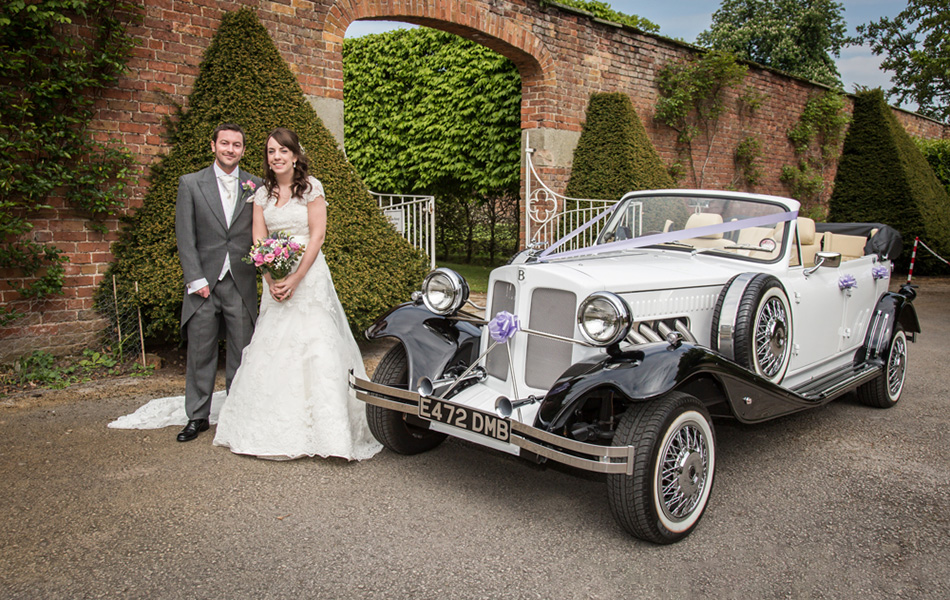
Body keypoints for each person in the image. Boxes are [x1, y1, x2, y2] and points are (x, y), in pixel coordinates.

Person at [211, 127, 381, 461]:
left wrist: (297, 277)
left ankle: (327, 433)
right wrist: (271, 276)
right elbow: (259, 239)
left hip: (309, 273)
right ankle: (269, 427)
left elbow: (317, 236)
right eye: (271, 151)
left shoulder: (312, 188)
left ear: (295, 155)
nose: (276, 157)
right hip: (274, 278)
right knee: (273, 346)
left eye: (283, 151)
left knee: (315, 344)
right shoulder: (262, 193)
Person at [174, 124, 262, 443]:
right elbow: (185, 235)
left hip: (240, 280)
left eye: (236, 145)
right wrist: (195, 278)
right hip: (203, 283)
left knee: (241, 352)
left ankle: (236, 414)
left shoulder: (256, 184)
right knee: (201, 351)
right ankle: (197, 417)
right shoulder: (191, 184)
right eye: (224, 143)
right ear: (213, 146)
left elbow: (261, 229)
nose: (230, 149)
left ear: (243, 150)